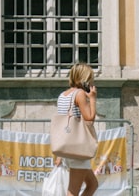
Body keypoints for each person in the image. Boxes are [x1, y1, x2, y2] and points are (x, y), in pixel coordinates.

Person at [56, 63, 98, 196]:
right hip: (78, 149)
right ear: (83, 78)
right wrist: (92, 99)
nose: (91, 81)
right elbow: (89, 118)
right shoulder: (79, 94)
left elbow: (62, 124)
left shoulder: (63, 95)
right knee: (73, 191)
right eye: (90, 78)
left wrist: (58, 155)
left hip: (68, 147)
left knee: (92, 184)